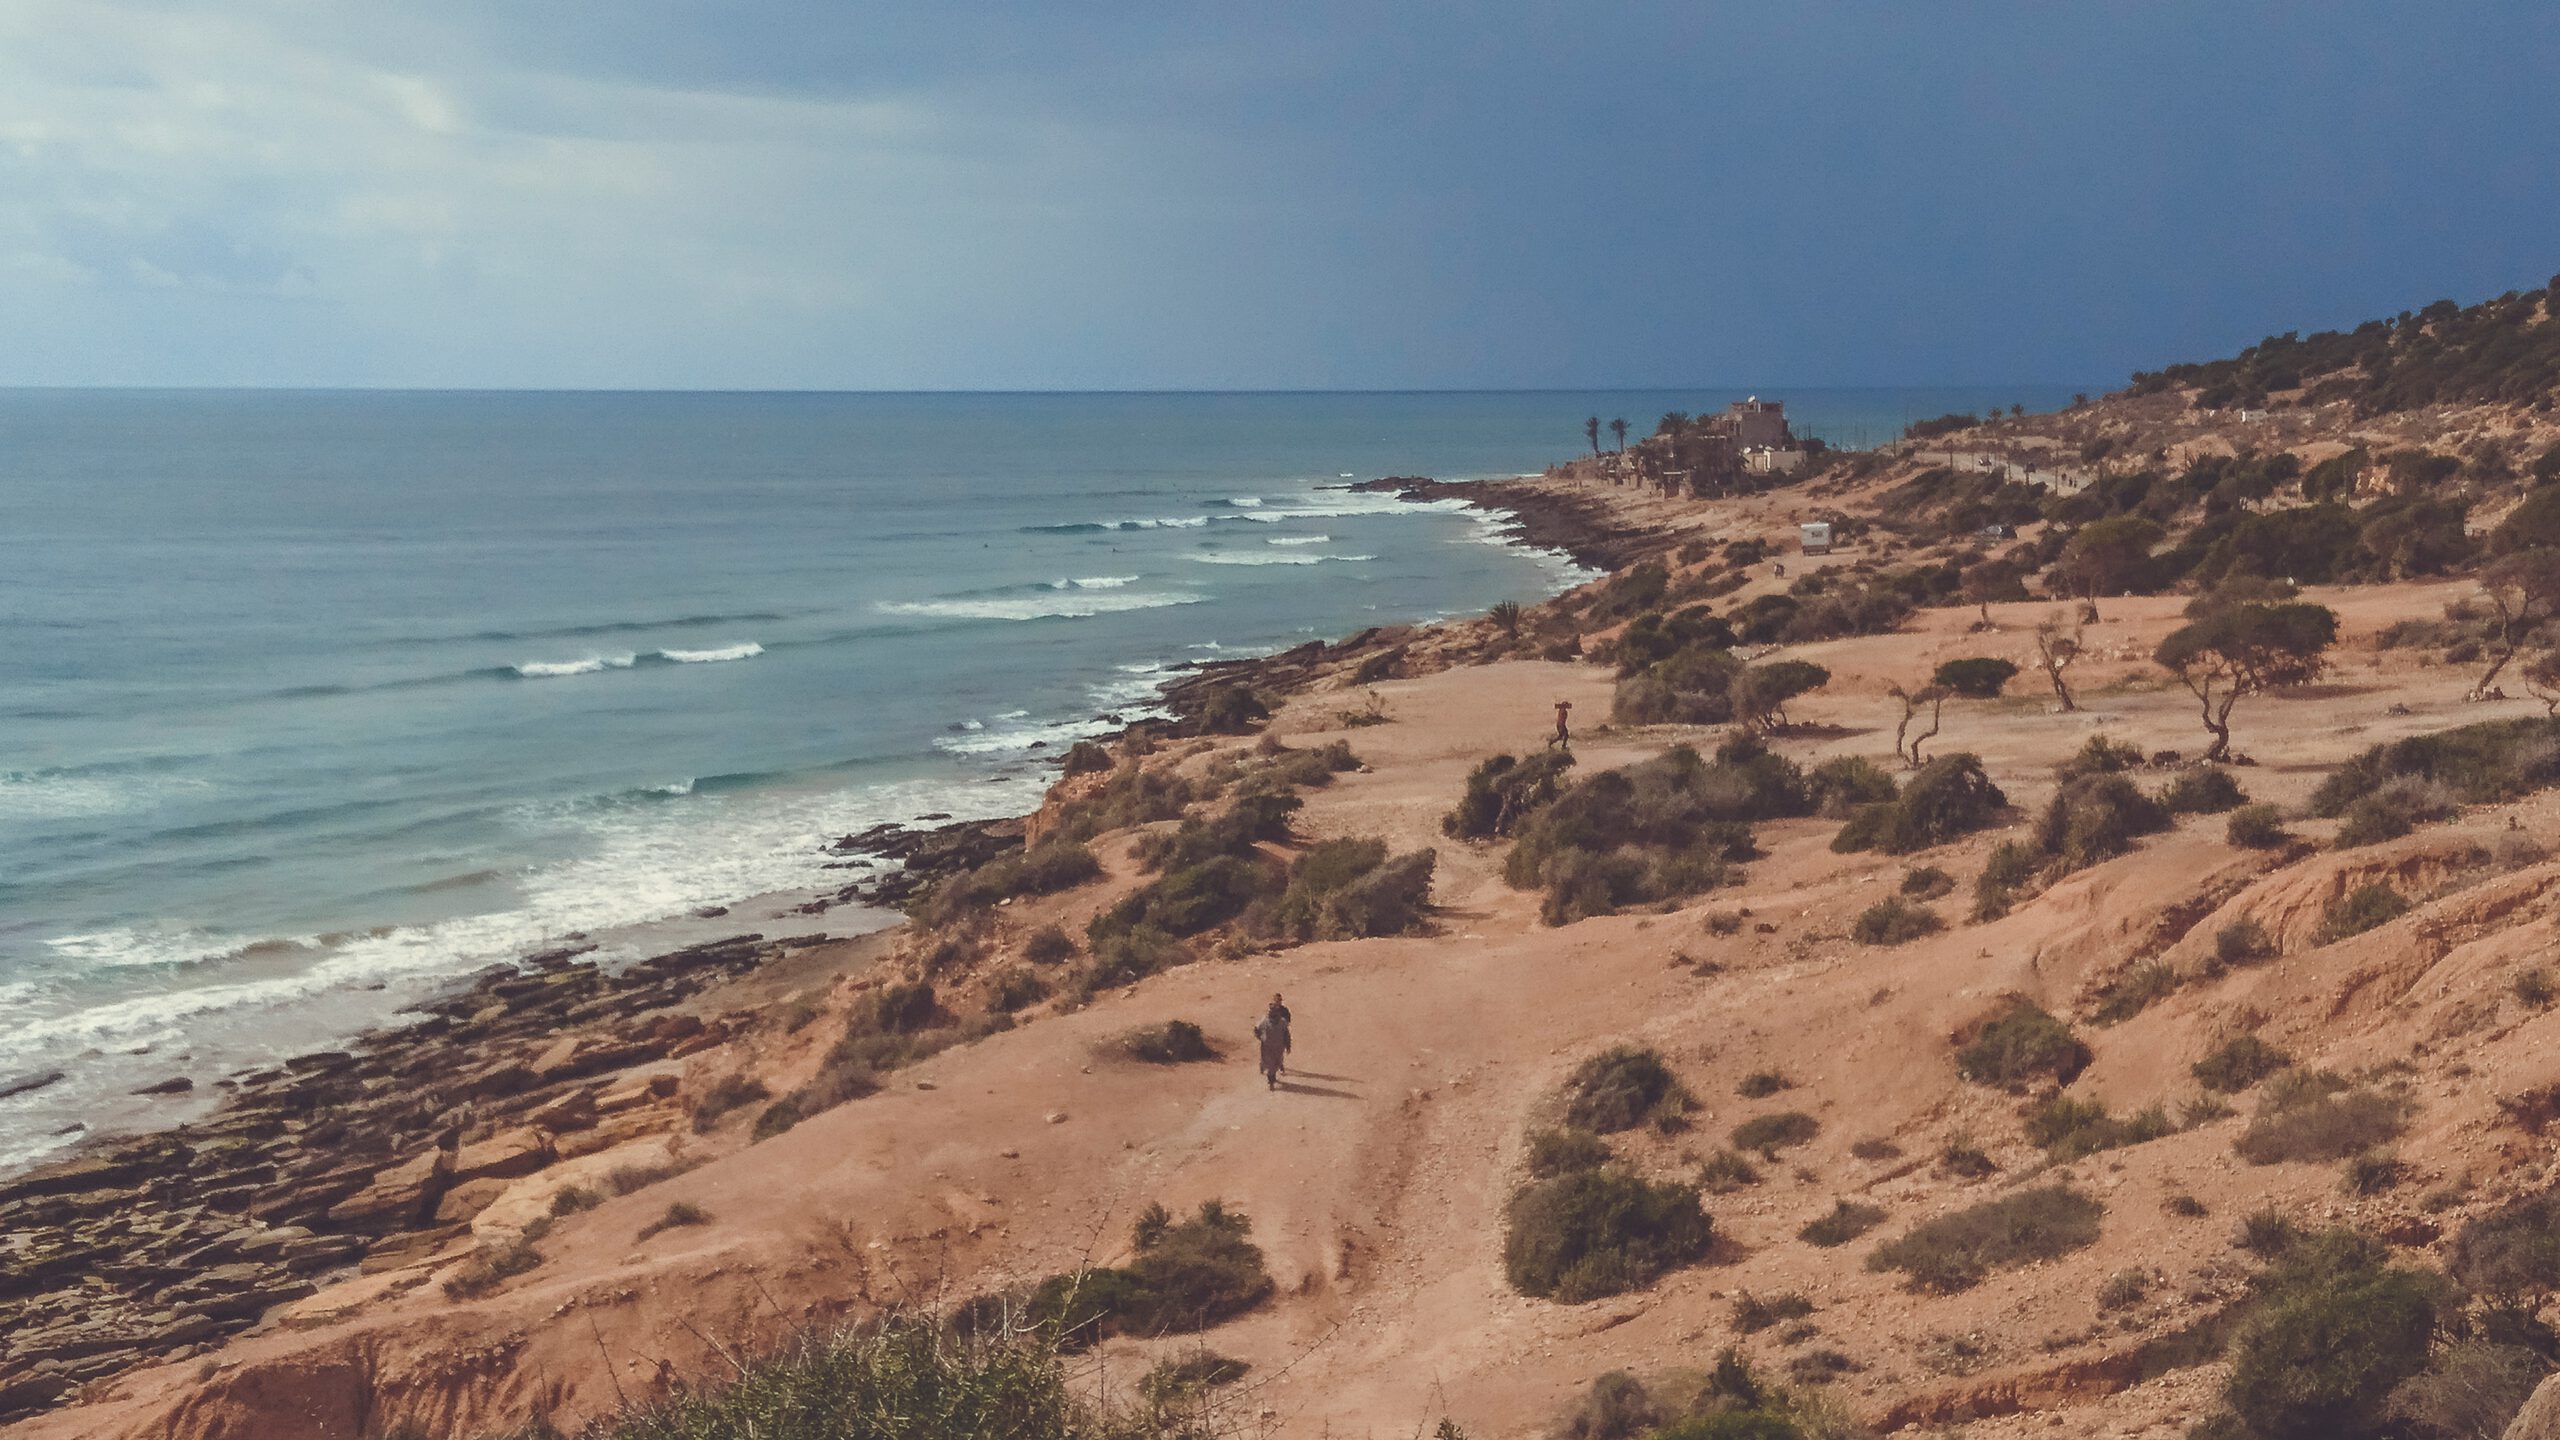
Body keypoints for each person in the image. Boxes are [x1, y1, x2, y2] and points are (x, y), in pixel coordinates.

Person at [1253, 993, 1292, 1090]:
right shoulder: (1265, 1021)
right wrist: (1261, 1038)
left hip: (1278, 1047)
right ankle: (1271, 1080)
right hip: (1267, 1047)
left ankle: (1272, 1076)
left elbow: (1286, 1034)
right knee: (1270, 1064)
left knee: (1277, 1062)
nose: (1271, 1013)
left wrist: (1288, 1045)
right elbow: (1256, 1029)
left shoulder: (1282, 1021)